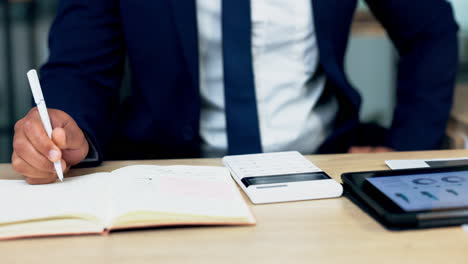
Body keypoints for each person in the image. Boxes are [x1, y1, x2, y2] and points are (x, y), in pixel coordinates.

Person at [12, 0, 459, 184]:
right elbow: (81, 64)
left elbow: (430, 31)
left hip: (323, 166)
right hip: (170, 173)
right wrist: (63, 124)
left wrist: (405, 148)